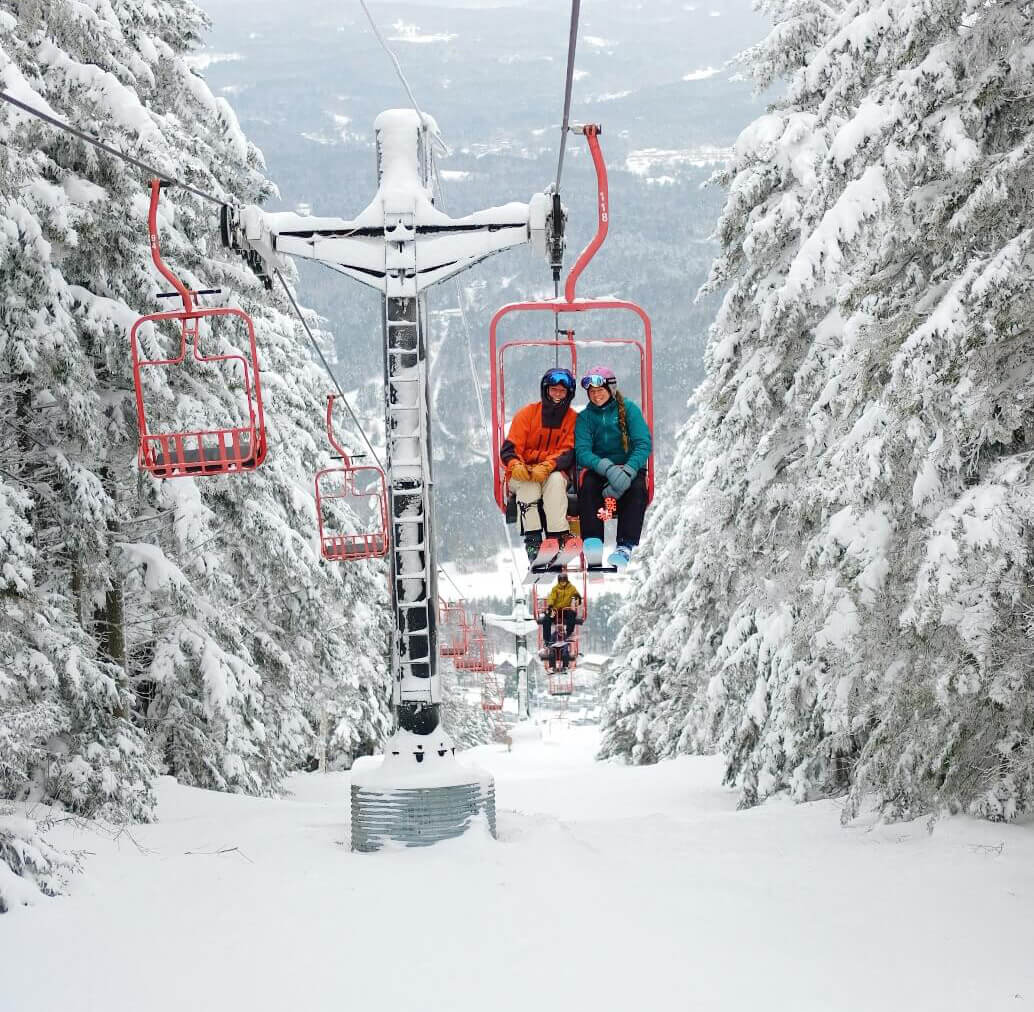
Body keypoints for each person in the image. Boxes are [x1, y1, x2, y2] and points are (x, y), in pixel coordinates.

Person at [574, 366, 652, 567]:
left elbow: (643, 443)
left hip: (629, 466)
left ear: (611, 390)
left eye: (600, 391)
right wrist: (606, 467)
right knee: (589, 486)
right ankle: (593, 541)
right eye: (592, 392)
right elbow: (582, 451)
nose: (596, 395)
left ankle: (624, 545)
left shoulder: (628, 410)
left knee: (635, 490)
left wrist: (628, 469)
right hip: (600, 470)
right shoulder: (585, 418)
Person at [500, 367, 577, 561]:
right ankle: (533, 541)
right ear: (546, 390)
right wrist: (516, 465)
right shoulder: (528, 414)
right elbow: (510, 448)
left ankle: (556, 537)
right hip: (524, 471)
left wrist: (548, 465)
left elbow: (569, 451)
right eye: (554, 390)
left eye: (562, 391)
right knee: (528, 487)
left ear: (569, 394)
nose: (557, 395)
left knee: (557, 483)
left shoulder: (572, 419)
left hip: (552, 471)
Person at [541, 572, 582, 652]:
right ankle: (547, 639)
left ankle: (569, 634)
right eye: (561, 581)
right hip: (556, 610)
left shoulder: (571, 588)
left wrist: (578, 598)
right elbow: (551, 597)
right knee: (546, 619)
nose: (563, 583)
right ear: (559, 581)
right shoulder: (555, 589)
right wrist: (550, 606)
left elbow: (576, 594)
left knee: (572, 614)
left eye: (564, 581)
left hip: (565, 610)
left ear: (567, 581)